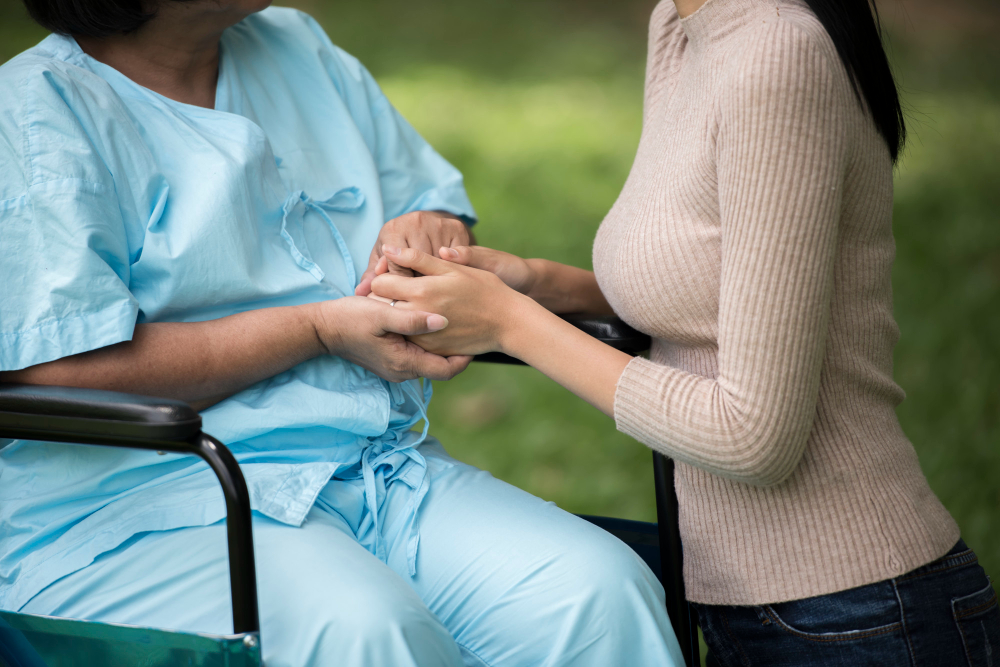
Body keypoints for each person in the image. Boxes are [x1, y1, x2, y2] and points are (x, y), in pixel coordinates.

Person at [0, 0, 684, 665]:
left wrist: (431, 235)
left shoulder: (296, 46)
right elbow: (59, 368)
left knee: (598, 592)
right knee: (368, 631)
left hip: (373, 469)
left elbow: (427, 199)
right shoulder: (34, 114)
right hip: (142, 505)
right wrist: (317, 329)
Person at [367, 0, 1000, 664]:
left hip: (861, 615)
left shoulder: (779, 54)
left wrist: (508, 321)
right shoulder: (680, 24)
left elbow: (755, 436)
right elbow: (707, 291)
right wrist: (535, 282)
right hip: (740, 602)